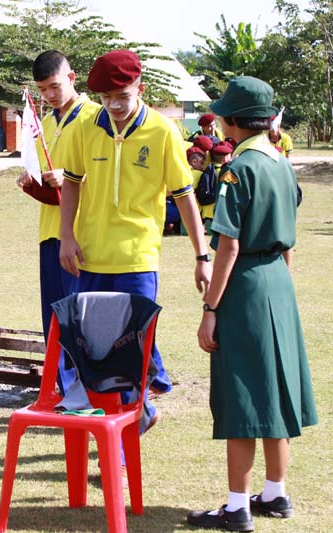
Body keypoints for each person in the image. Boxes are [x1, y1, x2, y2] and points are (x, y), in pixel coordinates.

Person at [189, 76, 317, 532]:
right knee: (276, 390)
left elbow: (228, 247)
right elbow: (289, 242)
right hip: (277, 281)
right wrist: (282, 285)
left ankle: (237, 506)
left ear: (234, 121)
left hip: (245, 286)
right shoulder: (281, 162)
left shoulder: (237, 169)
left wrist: (210, 309)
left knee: (242, 396)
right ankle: (276, 493)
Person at [58, 50, 211, 425]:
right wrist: (66, 236)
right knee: (96, 351)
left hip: (138, 258)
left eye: (122, 96)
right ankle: (132, 417)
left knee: (132, 349)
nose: (114, 105)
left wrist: (202, 256)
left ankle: (127, 435)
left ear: (140, 89)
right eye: (106, 97)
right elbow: (72, 183)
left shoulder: (162, 130)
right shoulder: (84, 126)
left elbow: (184, 195)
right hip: (91, 256)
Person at [15, 50, 101, 364]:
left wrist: (70, 177)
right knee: (53, 319)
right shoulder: (46, 122)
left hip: (82, 233)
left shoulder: (96, 117)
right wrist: (31, 179)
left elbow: (105, 172)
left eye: (54, 86)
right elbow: (45, 176)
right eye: (42, 90)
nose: (49, 95)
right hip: (49, 231)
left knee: (80, 319)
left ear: (71, 77)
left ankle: (85, 384)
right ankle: (60, 385)